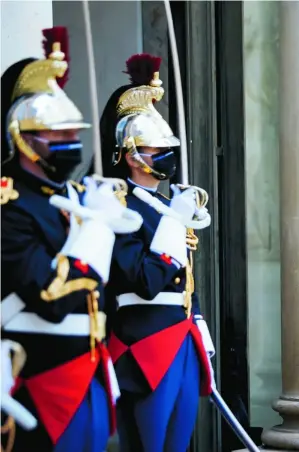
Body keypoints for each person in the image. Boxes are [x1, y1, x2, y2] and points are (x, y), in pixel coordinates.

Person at [1, 27, 142, 452]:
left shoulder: (73, 198)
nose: (72, 143)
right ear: (25, 140)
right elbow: (53, 298)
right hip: (39, 378)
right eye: (60, 136)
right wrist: (97, 228)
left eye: (74, 134)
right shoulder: (10, 203)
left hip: (90, 369)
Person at [99, 53, 216, 452]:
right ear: (132, 156)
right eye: (156, 149)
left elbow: (185, 277)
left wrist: (198, 322)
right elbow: (146, 280)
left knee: (178, 442)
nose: (166, 156)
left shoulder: (167, 204)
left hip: (181, 337)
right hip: (143, 339)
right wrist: (172, 224)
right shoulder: (118, 205)